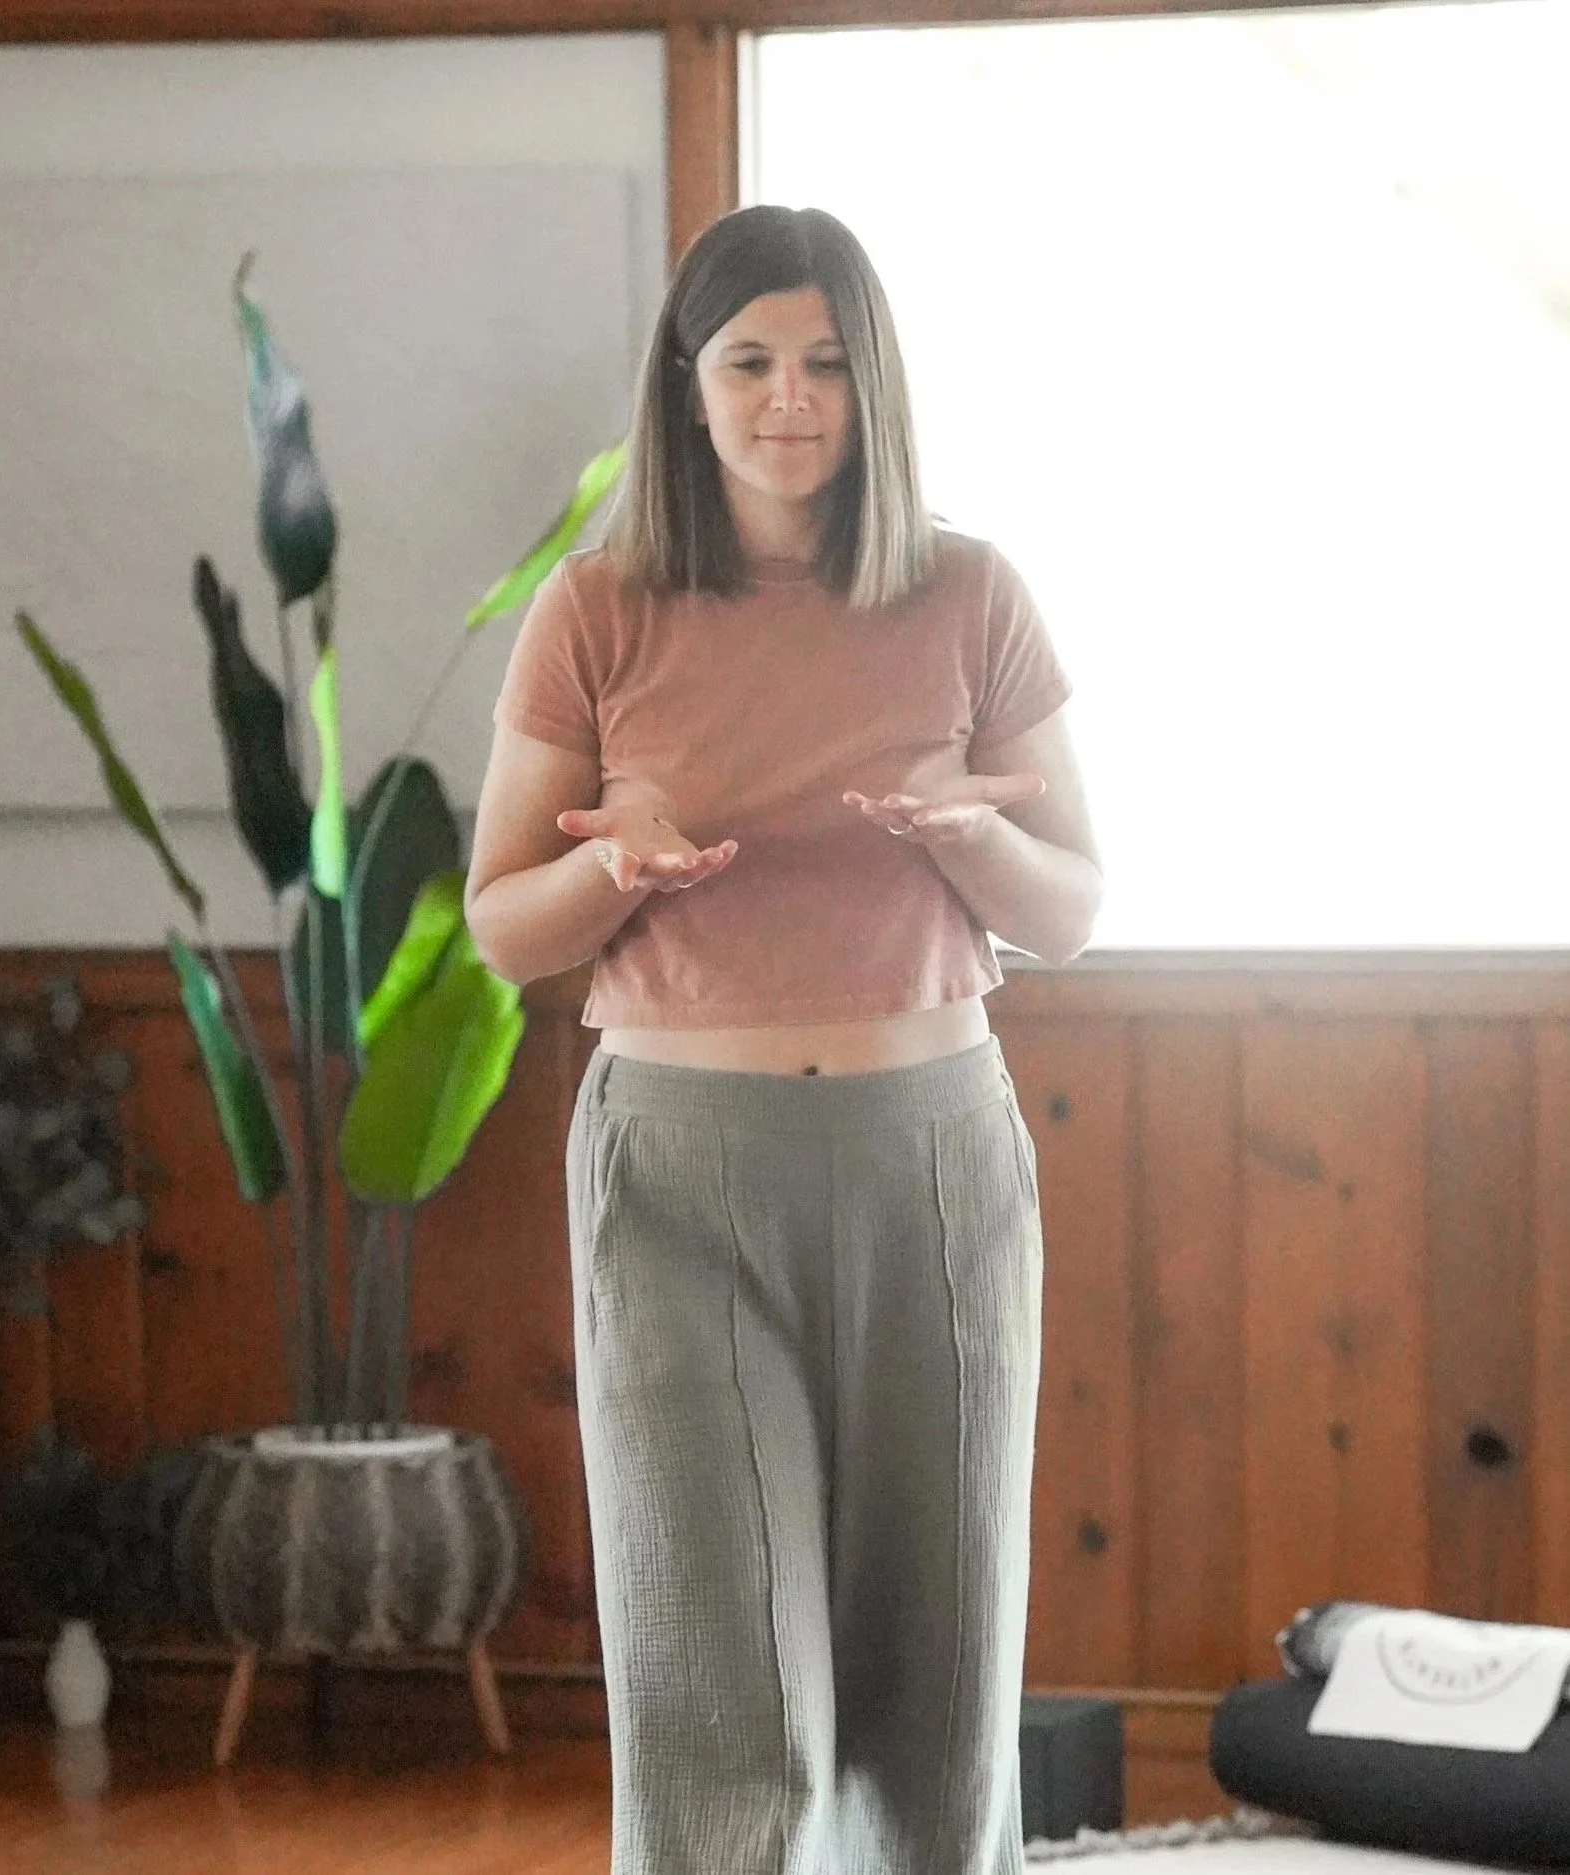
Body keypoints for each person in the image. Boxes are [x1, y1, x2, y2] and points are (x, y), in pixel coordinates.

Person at [465, 204, 1102, 1875]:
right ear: (685, 385)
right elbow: (503, 922)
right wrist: (612, 869)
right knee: (721, 1688)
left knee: (934, 1689)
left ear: (871, 382)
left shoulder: (969, 592)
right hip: (681, 1173)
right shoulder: (598, 608)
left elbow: (1070, 904)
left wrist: (971, 839)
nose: (788, 398)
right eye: (748, 360)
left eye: (824, 362)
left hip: (932, 1163)